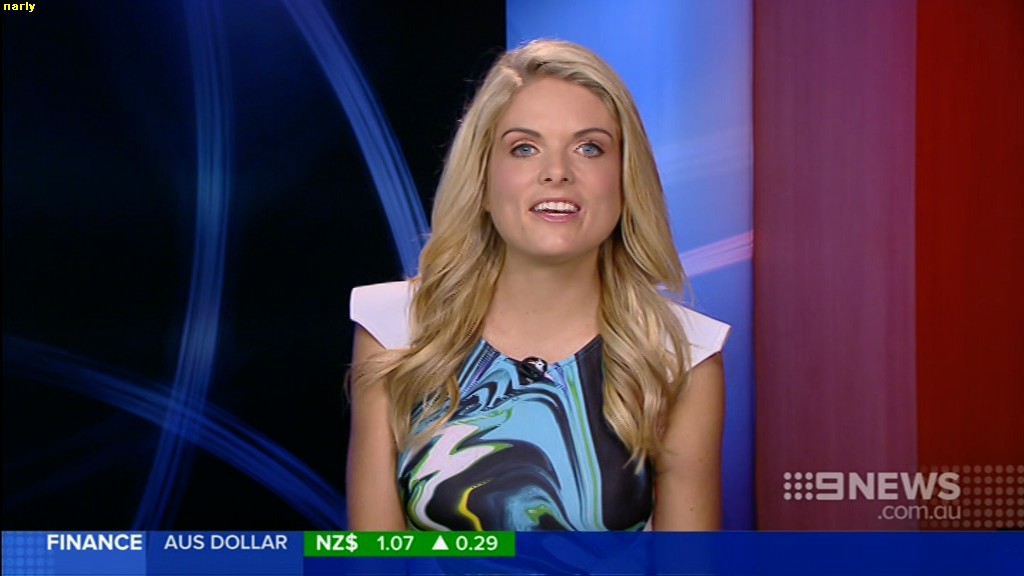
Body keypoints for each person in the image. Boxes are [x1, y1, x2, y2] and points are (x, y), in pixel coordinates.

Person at [347, 39, 730, 532]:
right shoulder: (395, 329)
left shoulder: (683, 356)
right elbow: (375, 559)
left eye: (589, 148)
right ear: (483, 182)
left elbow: (688, 564)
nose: (557, 173)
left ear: (625, 181)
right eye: (524, 148)